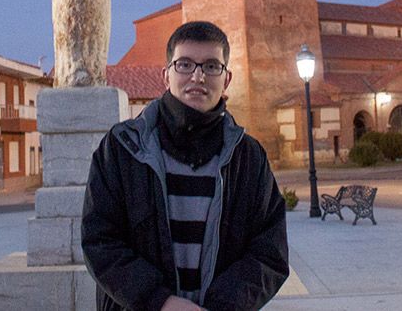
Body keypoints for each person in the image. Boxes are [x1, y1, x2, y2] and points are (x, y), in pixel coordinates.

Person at [82, 21, 289, 311]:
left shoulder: (249, 158)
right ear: (166, 75)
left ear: (226, 79)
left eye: (211, 66)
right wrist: (160, 302)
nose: (198, 76)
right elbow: (99, 240)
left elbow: (270, 253)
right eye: (185, 65)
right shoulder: (121, 149)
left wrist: (224, 305)